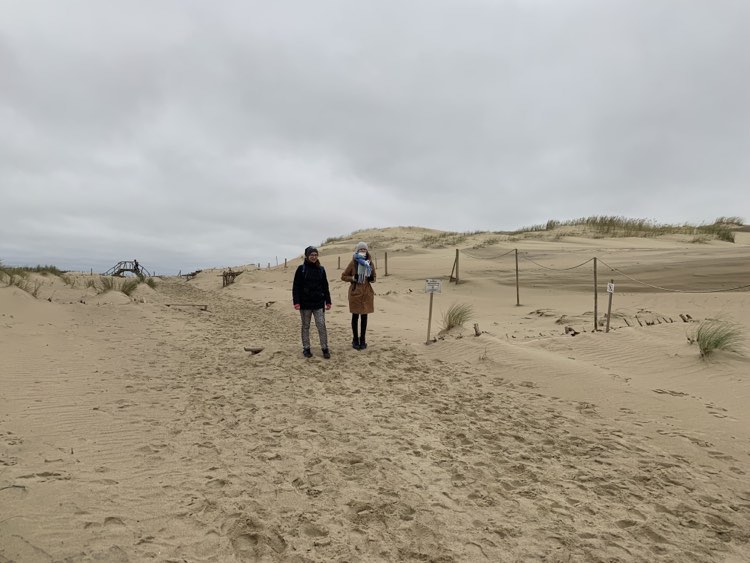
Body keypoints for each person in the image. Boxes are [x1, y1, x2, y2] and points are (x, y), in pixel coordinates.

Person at [292, 246, 332, 359]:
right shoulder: (301, 269)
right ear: (307, 256)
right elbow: (296, 286)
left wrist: (328, 301)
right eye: (311, 255)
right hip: (305, 304)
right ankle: (306, 348)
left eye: (315, 255)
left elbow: (325, 286)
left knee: (321, 325)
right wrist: (296, 302)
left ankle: (325, 348)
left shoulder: (321, 269)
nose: (314, 257)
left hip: (318, 302)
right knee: (306, 326)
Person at [341, 241, 376, 350]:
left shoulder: (369, 262)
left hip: (367, 293)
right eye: (361, 249)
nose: (363, 251)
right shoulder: (353, 262)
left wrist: (371, 278)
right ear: (357, 250)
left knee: (364, 317)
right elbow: (343, 276)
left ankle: (363, 339)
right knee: (355, 316)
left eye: (364, 249)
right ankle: (355, 339)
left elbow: (374, 277)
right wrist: (353, 278)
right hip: (355, 293)